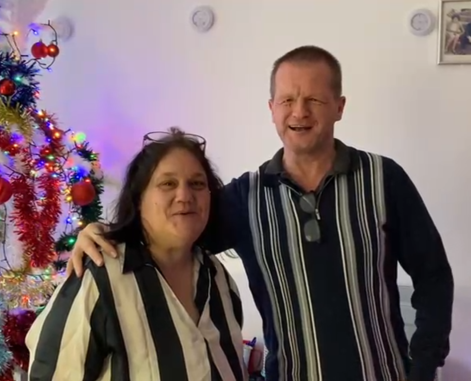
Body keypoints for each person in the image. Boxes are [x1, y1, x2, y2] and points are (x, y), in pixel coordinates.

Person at [67, 46, 454, 381]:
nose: (298, 112)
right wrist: (102, 231)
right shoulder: (243, 197)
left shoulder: (384, 179)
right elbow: (169, 232)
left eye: (314, 100)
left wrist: (421, 366)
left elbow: (433, 275)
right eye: (287, 100)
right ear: (271, 109)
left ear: (339, 106)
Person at [26, 129, 247, 381]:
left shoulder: (219, 279)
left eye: (197, 183)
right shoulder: (101, 275)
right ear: (139, 199)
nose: (185, 196)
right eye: (168, 183)